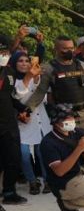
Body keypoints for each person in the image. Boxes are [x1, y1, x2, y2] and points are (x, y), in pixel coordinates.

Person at [25, 35, 84, 131]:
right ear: (56, 49)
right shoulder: (49, 68)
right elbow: (40, 93)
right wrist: (26, 110)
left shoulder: (79, 64)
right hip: (63, 115)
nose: (69, 51)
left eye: (71, 48)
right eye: (65, 48)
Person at [11, 52, 52, 195]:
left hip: (41, 122)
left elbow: (45, 97)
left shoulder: (39, 78)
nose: (24, 63)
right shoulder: (13, 82)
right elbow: (19, 96)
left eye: (26, 61)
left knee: (43, 153)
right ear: (14, 64)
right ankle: (32, 180)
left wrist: (36, 77)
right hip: (22, 124)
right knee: (24, 155)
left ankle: (48, 180)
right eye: (20, 61)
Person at [0, 35, 31, 211]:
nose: (3, 55)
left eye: (5, 52)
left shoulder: (9, 72)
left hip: (9, 123)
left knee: (13, 159)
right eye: (1, 52)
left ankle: (10, 192)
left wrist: (22, 108)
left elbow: (10, 97)